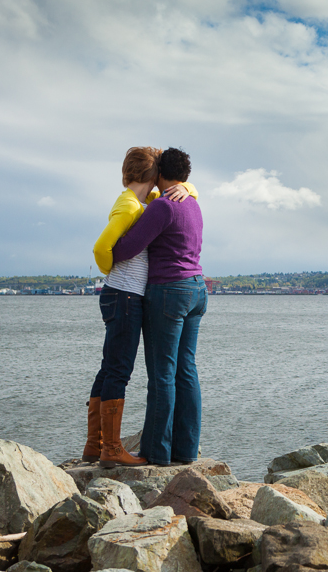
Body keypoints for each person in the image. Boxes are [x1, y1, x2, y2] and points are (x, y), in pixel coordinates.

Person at [83, 147, 196, 468]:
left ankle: (96, 445)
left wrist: (188, 187)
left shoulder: (147, 203)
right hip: (125, 294)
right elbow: (101, 247)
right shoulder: (131, 205)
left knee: (110, 367)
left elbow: (179, 193)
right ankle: (111, 449)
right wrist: (113, 270)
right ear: (153, 175)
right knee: (119, 369)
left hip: (126, 294)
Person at [112, 147, 207, 466]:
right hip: (196, 289)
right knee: (186, 370)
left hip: (168, 291)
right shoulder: (192, 203)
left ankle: (157, 451)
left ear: (161, 174)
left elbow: (126, 249)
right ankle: (186, 450)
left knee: (162, 372)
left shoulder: (163, 206)